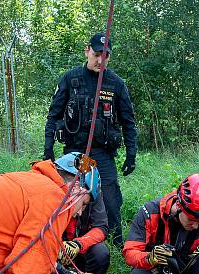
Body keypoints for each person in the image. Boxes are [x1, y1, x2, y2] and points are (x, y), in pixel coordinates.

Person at [44, 32, 138, 246]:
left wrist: (131, 155)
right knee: (66, 197)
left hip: (102, 154)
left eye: (105, 56)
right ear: (87, 51)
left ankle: (114, 246)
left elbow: (128, 123)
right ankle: (59, 242)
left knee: (111, 201)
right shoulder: (70, 79)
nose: (100, 60)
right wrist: (48, 151)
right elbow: (53, 116)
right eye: (96, 54)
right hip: (73, 155)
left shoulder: (116, 84)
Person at [54, 153, 111, 274]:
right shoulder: (44, 195)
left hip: (76, 248)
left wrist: (78, 244)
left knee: (100, 252)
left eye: (85, 205)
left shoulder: (91, 193)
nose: (80, 212)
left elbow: (101, 227)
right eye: (82, 203)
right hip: (49, 252)